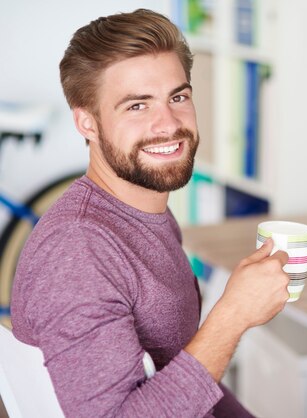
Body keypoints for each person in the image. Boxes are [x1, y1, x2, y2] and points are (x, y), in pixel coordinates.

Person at [10, 8, 290, 417]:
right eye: (137, 106)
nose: (169, 124)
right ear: (87, 123)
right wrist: (231, 317)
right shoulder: (78, 252)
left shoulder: (142, 211)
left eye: (178, 97)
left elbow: (187, 380)